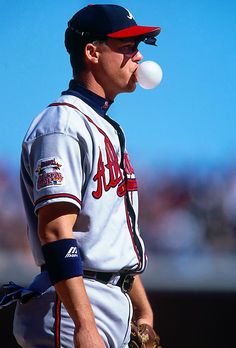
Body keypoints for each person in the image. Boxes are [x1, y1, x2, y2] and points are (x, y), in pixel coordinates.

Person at [12, 4, 161, 347]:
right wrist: (84, 325)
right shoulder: (63, 124)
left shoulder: (102, 127)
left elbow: (107, 236)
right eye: (127, 48)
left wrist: (142, 311)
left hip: (106, 302)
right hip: (75, 306)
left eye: (138, 48)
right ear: (92, 52)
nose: (138, 58)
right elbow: (55, 232)